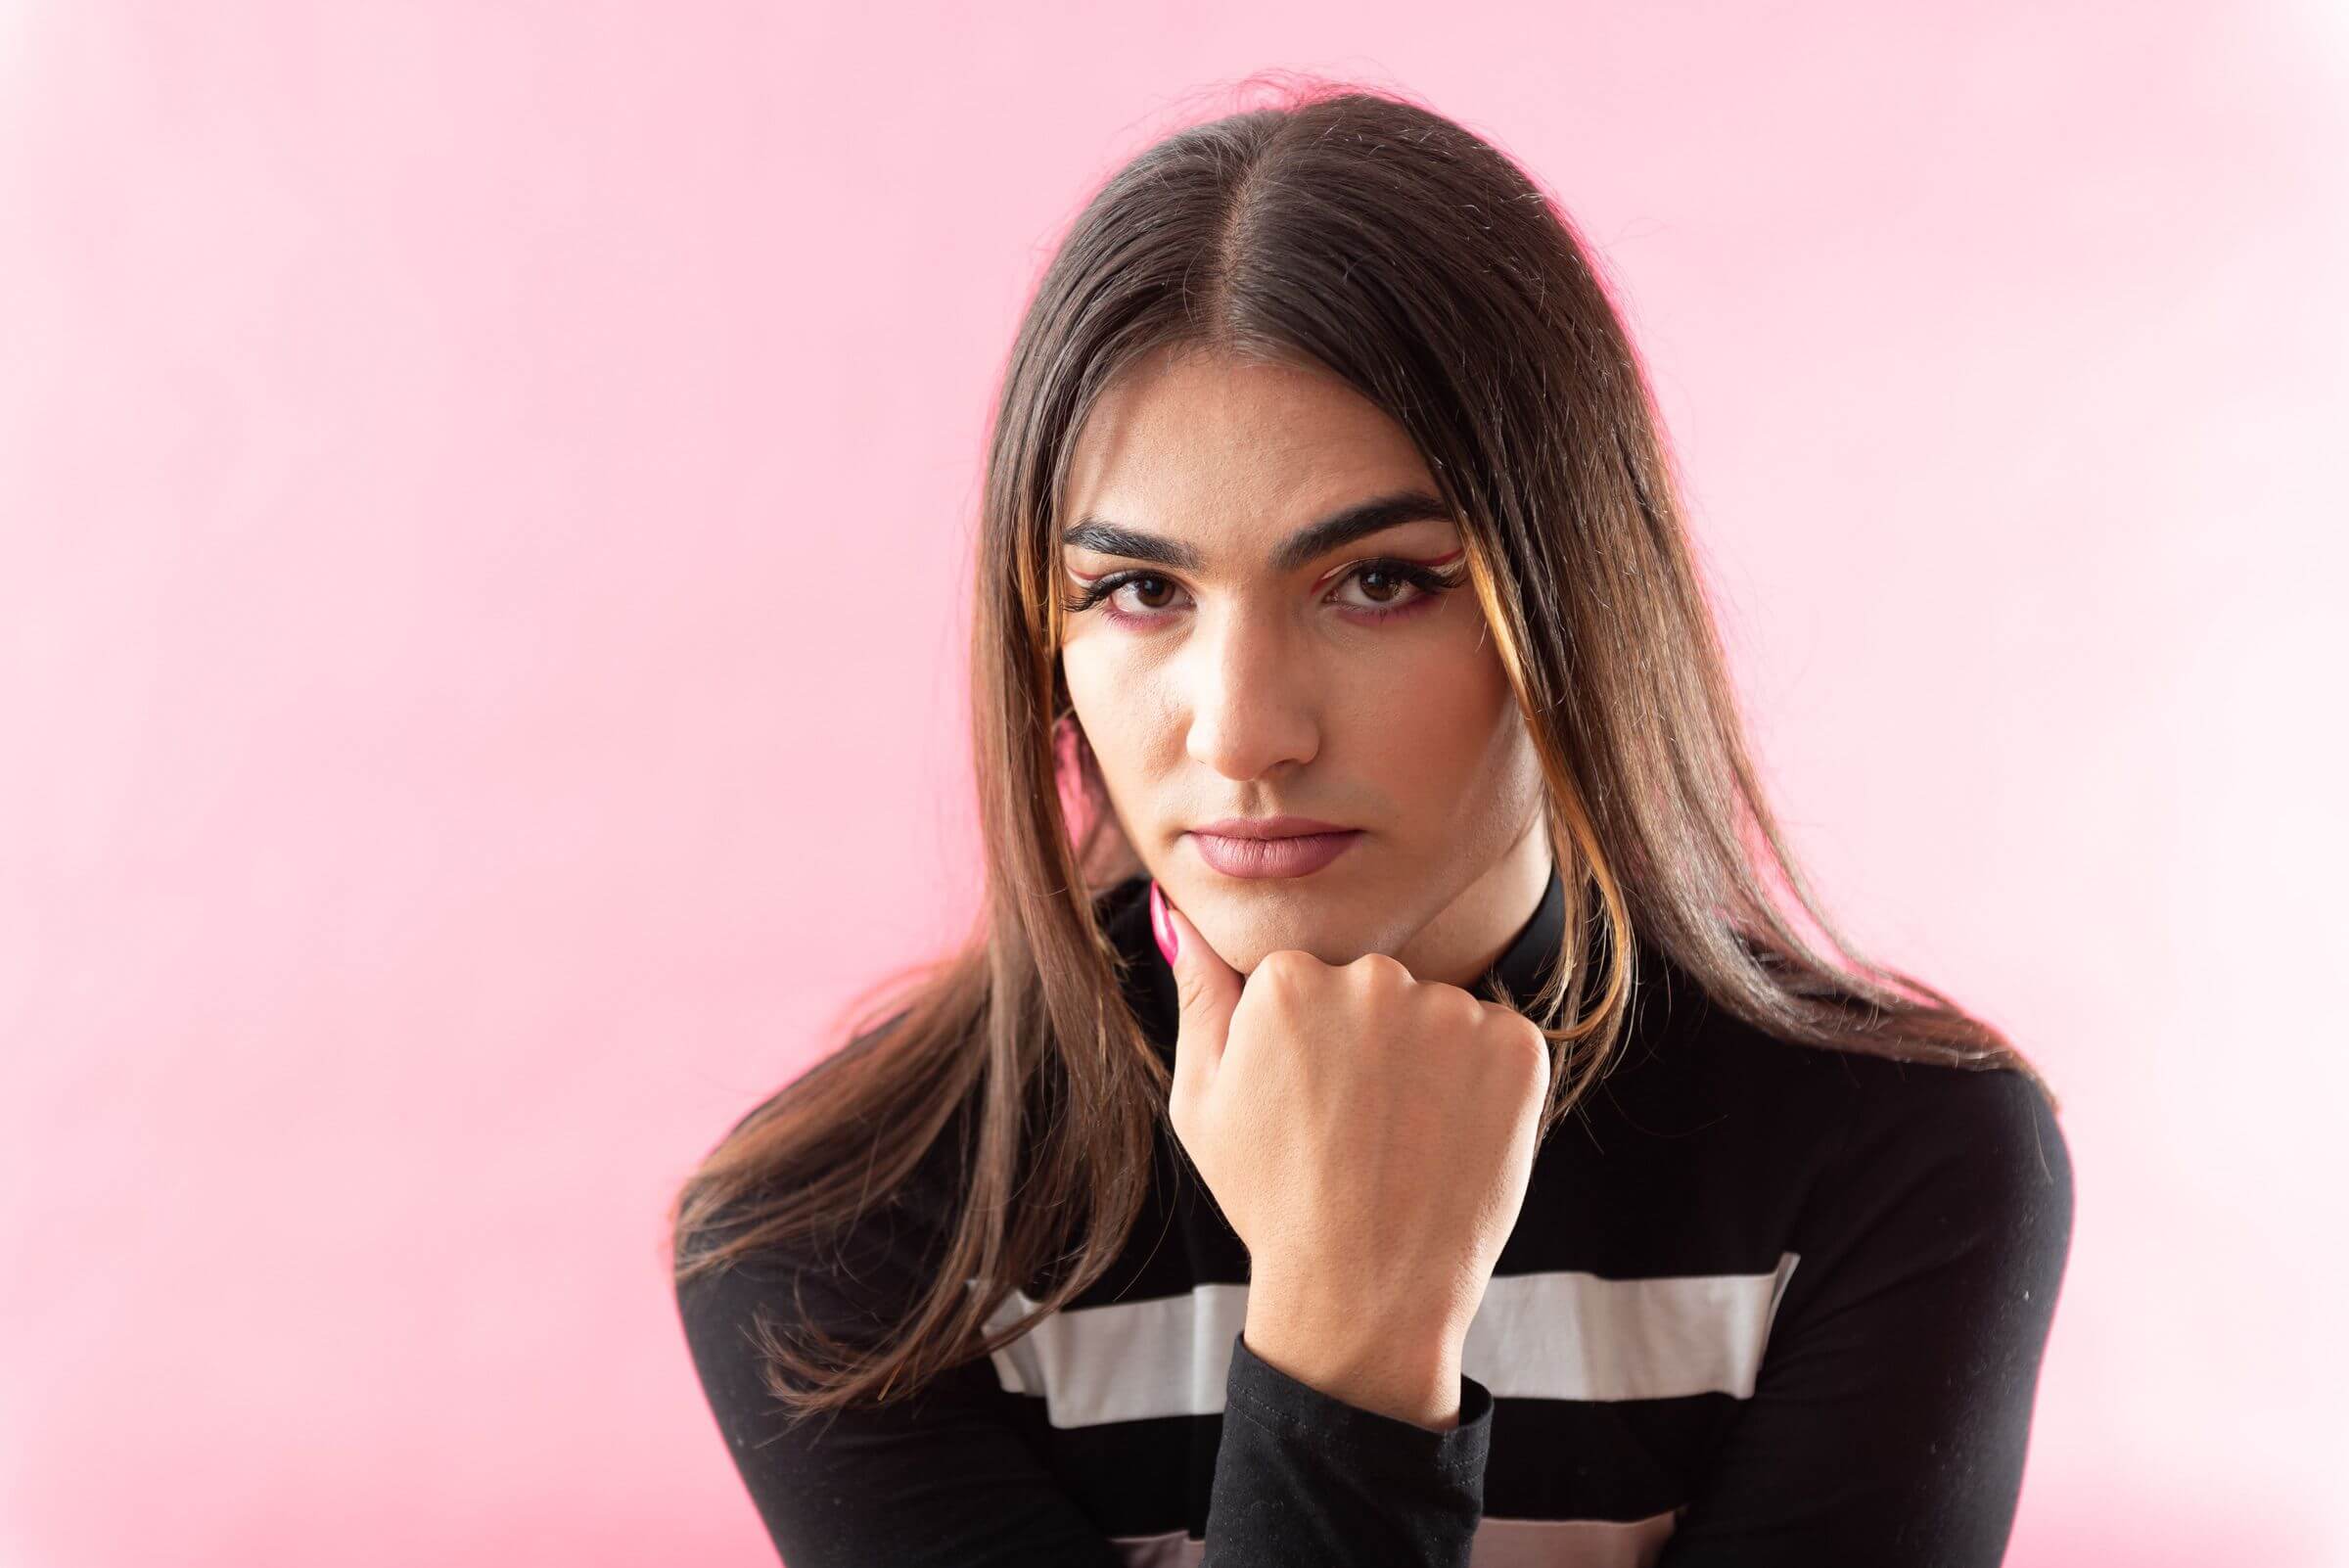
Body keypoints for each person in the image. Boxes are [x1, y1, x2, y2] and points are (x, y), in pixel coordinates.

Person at [669, 75, 2073, 1568]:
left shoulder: (1894, 1167)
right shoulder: (842, 1248)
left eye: (1382, 580)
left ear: (1578, 602)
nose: (1245, 731)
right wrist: (1356, 1333)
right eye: (1141, 591)